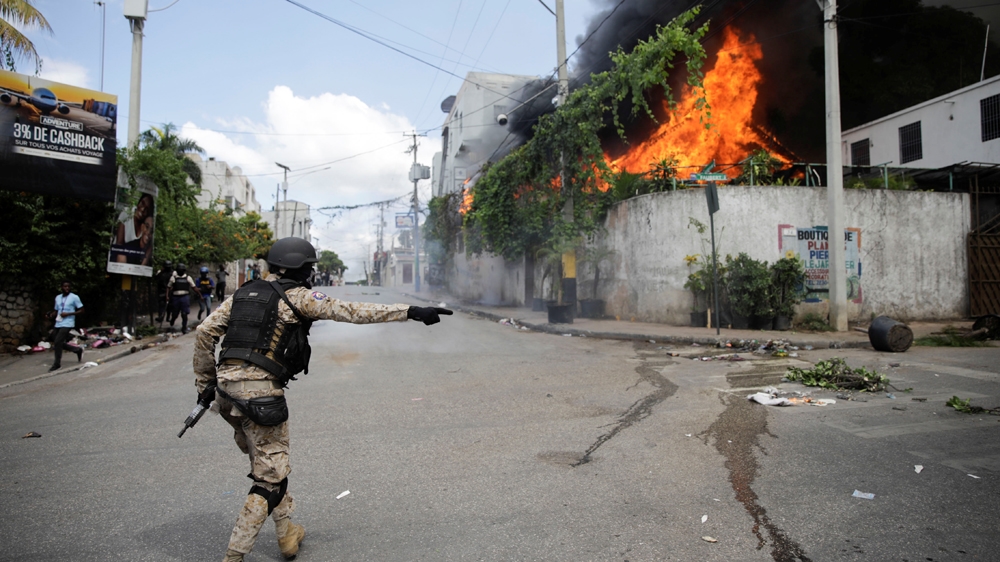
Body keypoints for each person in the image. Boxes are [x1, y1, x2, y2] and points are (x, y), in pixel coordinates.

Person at [192, 237, 452, 562]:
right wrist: (412, 311)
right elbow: (352, 311)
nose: (312, 274)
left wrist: (205, 384)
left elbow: (204, 332)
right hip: (259, 395)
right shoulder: (299, 297)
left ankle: (287, 535)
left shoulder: (242, 293)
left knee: (268, 465)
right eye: (310, 268)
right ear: (301, 269)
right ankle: (233, 557)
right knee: (268, 480)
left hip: (226, 393)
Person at [48, 281, 84, 372]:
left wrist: (69, 314)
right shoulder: (58, 297)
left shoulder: (74, 297)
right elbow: (56, 310)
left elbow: (82, 310)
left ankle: (57, 364)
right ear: (61, 287)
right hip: (59, 322)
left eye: (68, 286)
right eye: (65, 286)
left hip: (68, 322)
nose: (67, 288)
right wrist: (52, 314)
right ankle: (77, 350)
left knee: (58, 341)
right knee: (55, 340)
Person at [167, 263, 197, 334]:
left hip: (184, 297)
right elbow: (168, 288)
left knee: (184, 314)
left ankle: (184, 327)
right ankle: (173, 320)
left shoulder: (188, 278)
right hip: (175, 297)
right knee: (175, 313)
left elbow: (193, 287)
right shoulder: (173, 278)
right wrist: (167, 296)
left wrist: (199, 294)